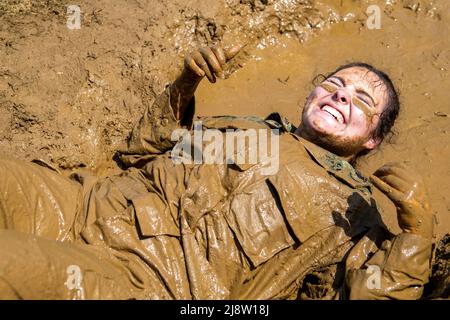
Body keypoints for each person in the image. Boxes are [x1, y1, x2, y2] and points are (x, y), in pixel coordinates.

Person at [0, 45, 435, 300]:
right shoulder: (247, 125)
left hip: (141, 278)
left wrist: (417, 238)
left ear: (372, 139)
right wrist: (184, 84)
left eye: (361, 101)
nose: (340, 97)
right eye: (334, 85)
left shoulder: (353, 212)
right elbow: (134, 156)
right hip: (74, 203)